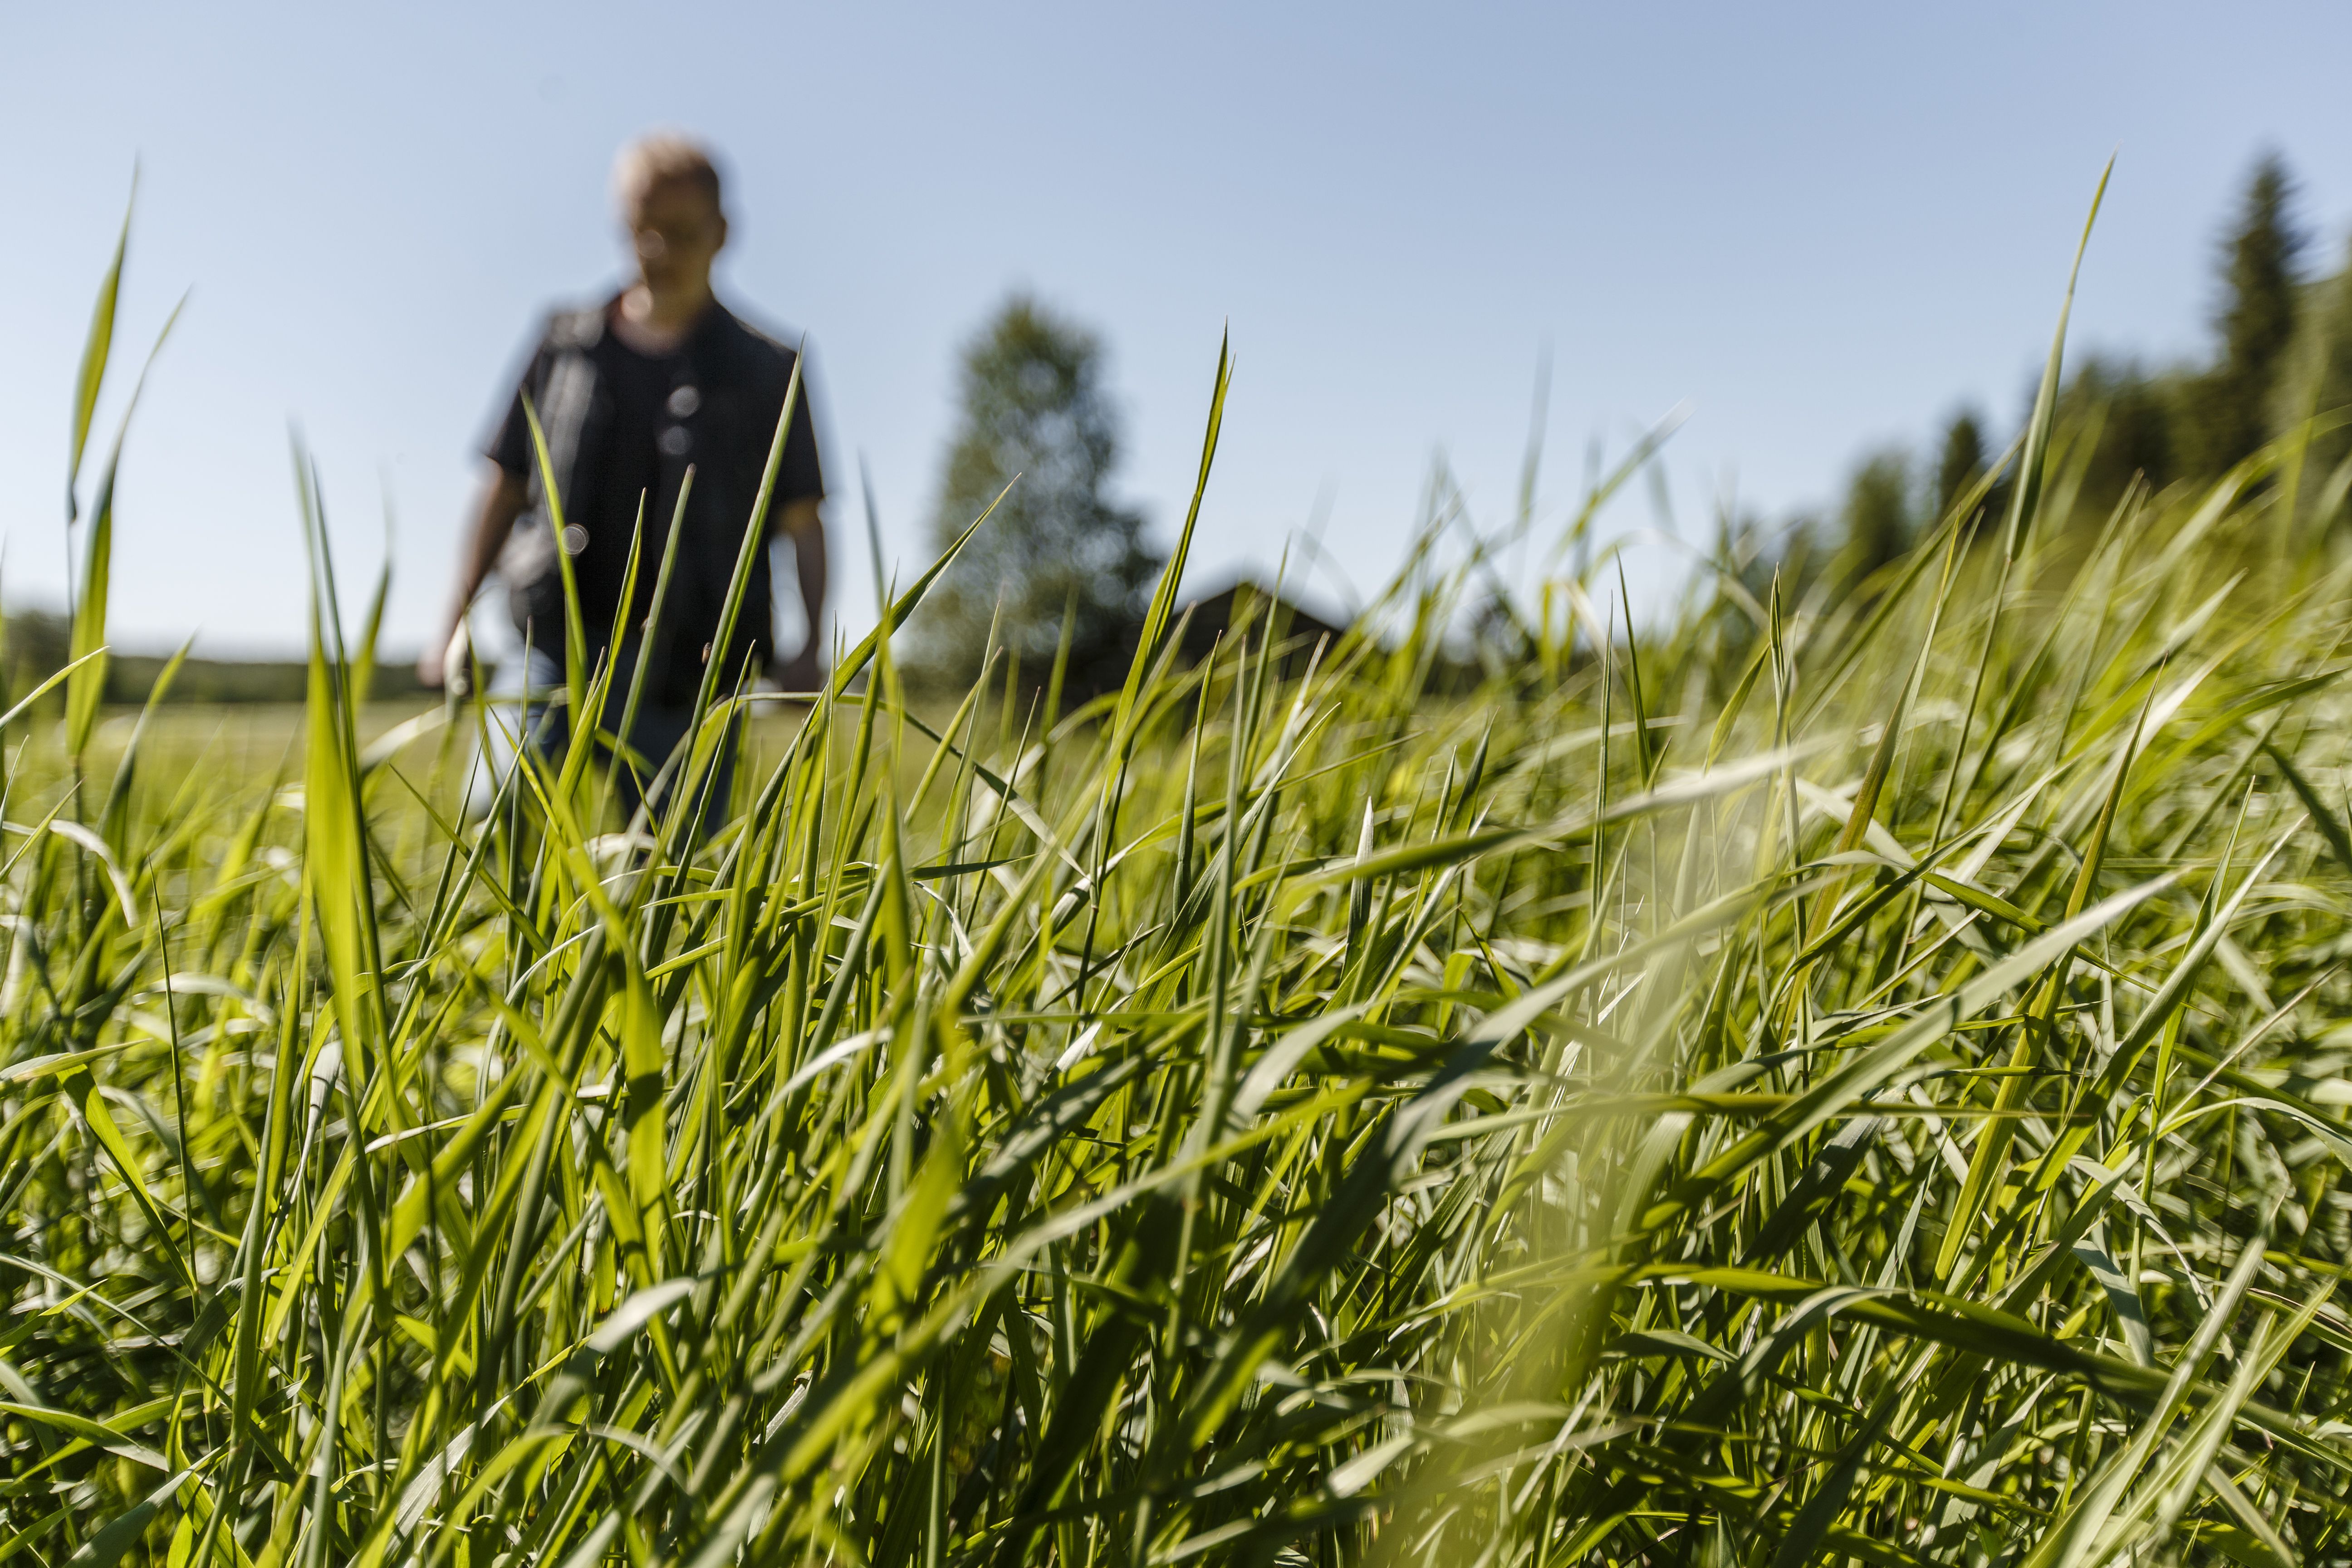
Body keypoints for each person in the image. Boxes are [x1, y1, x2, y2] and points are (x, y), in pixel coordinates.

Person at [421, 132, 828, 835]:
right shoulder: (565, 344)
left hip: (694, 663)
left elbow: (803, 519)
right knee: (495, 818)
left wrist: (811, 644)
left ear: (723, 233)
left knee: (668, 870)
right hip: (555, 641)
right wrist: (453, 618)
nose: (660, 252)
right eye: (643, 231)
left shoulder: (768, 369)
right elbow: (504, 486)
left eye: (681, 232)